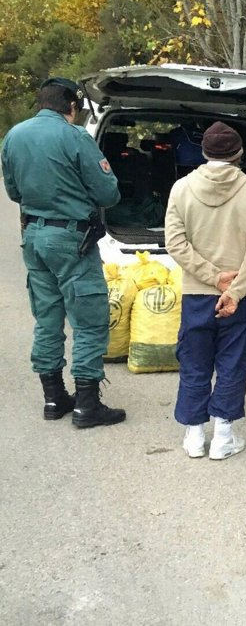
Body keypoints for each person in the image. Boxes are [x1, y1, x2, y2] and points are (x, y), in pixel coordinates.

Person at [1, 77, 126, 428]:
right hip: (72, 241)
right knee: (88, 320)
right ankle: (87, 406)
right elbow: (108, 193)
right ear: (71, 107)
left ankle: (54, 399)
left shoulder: (13, 136)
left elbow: (13, 191)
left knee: (48, 318)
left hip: (35, 237)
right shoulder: (75, 138)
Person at [165, 121, 246, 460]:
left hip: (197, 293)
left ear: (204, 152)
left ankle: (195, 437)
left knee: (195, 360)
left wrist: (211, 277)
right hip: (242, 297)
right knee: (233, 361)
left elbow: (175, 244)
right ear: (239, 154)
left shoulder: (181, 188)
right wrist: (234, 288)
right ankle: (224, 437)